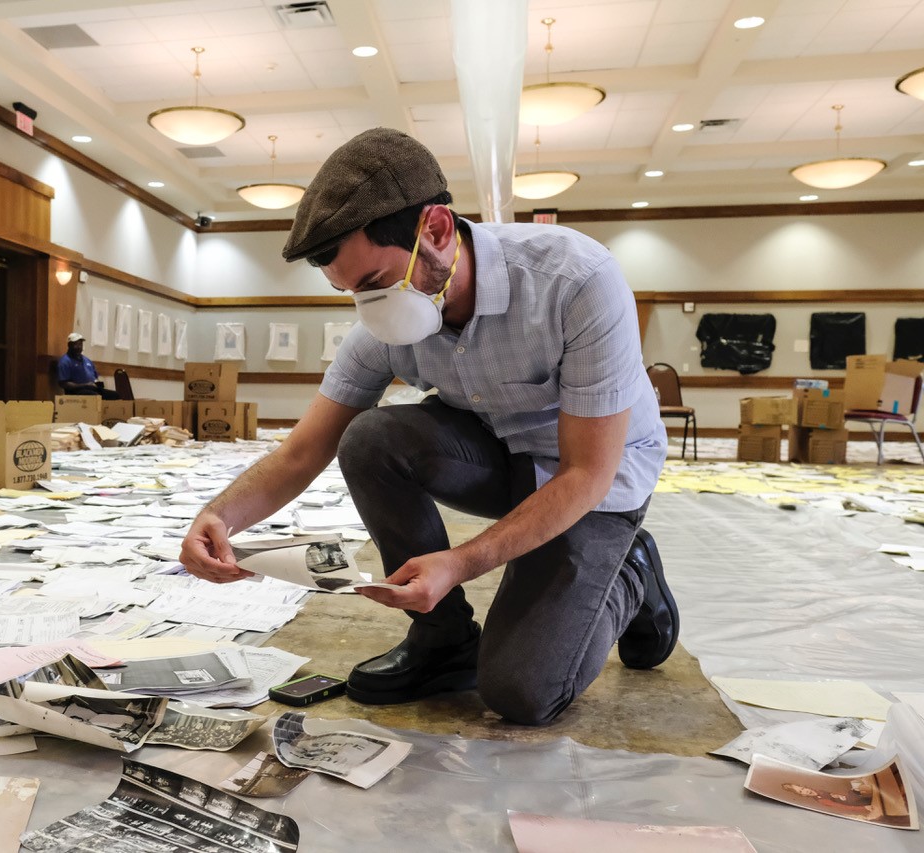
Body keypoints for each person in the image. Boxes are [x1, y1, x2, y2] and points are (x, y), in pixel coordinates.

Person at [178, 127, 679, 726]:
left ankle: (630, 571)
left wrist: (461, 561)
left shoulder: (574, 281)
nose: (372, 311)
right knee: (368, 437)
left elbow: (587, 472)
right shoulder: (385, 331)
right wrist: (220, 515)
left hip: (597, 477)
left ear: (436, 230)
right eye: (351, 294)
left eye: (375, 285)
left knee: (523, 692)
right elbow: (302, 451)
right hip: (504, 456)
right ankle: (442, 639)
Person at [57, 332, 118, 399]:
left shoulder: (87, 360)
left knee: (115, 395)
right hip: (76, 392)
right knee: (96, 396)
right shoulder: (65, 361)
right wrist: (85, 385)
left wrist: (96, 383)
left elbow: (95, 377)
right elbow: (63, 383)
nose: (79, 347)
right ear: (69, 345)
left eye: (80, 344)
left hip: (92, 389)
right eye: (76, 344)